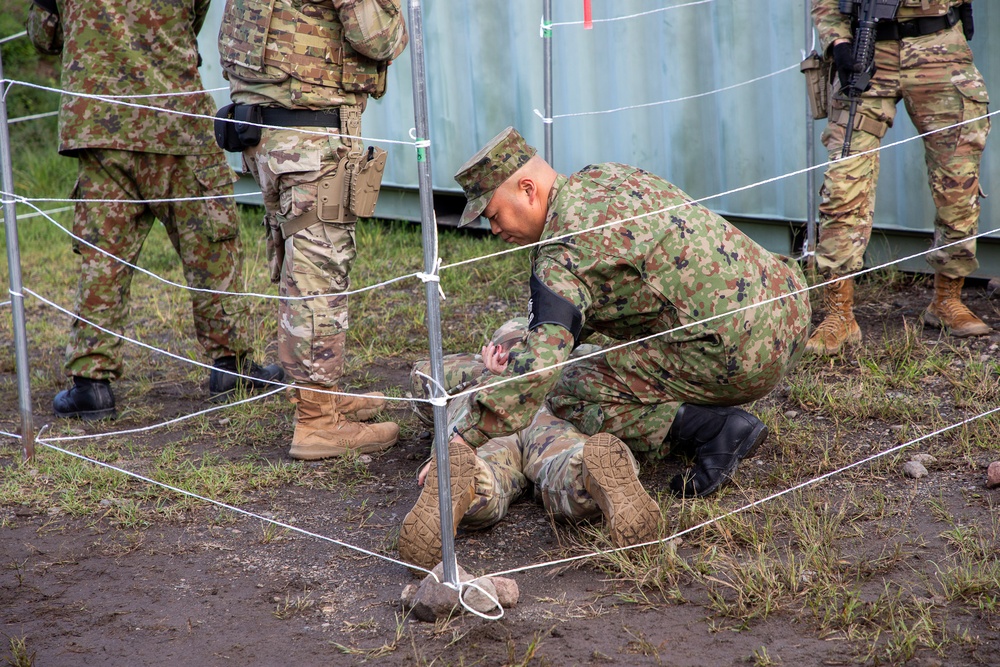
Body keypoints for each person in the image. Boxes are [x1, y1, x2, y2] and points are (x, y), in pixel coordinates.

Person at [397, 127, 812, 567]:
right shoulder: (604, 178)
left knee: (569, 387)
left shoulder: (560, 254)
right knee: (578, 357)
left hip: (741, 354)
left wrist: (460, 439)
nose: (493, 228)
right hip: (788, 302)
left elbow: (541, 370)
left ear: (527, 189)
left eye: (494, 213)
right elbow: (602, 303)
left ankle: (705, 427)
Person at [26, 0, 283, 421]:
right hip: (174, 119)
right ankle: (230, 366)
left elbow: (44, 35)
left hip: (101, 124)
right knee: (210, 244)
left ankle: (91, 383)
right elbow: (194, 19)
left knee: (104, 258)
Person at [217, 0, 408, 460]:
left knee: (300, 273)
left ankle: (318, 398)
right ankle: (317, 424)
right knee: (318, 278)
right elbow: (379, 37)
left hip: (267, 133)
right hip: (310, 138)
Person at [807, 0, 991, 355]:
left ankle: (946, 300)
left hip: (941, 48)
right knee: (844, 182)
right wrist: (838, 43)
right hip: (867, 45)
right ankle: (838, 314)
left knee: (958, 179)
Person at [401, 319, 660, 569]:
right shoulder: (575, 355)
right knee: (569, 461)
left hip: (484, 421)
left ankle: (467, 483)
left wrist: (501, 373)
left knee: (483, 471)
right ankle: (589, 473)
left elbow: (421, 380)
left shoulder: (470, 369)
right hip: (543, 418)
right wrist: (524, 374)